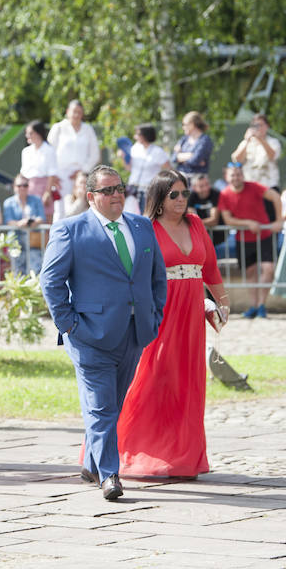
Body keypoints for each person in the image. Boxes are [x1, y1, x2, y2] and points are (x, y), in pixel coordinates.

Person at [39, 166, 167, 500]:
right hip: (88, 334)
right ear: (91, 196)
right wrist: (69, 324)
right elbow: (50, 282)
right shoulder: (71, 229)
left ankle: (93, 463)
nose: (116, 195)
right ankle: (110, 475)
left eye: (120, 188)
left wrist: (154, 314)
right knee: (101, 407)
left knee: (113, 404)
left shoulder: (141, 227)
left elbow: (157, 277)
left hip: (134, 331)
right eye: (108, 190)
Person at [117, 170, 227, 478]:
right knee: (151, 379)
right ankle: (121, 446)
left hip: (193, 313)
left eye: (184, 194)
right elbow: (134, 273)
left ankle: (183, 457)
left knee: (188, 383)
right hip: (160, 310)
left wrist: (223, 302)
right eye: (173, 195)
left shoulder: (195, 224)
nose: (181, 200)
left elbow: (211, 269)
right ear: (159, 199)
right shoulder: (146, 228)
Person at [218, 163, 283, 318]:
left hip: (264, 235)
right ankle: (254, 305)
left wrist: (279, 220)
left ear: (243, 175)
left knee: (269, 269)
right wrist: (248, 223)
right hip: (244, 239)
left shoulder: (254, 187)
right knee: (250, 272)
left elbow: (275, 196)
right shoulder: (225, 194)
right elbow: (228, 220)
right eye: (233, 175)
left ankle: (261, 304)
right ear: (227, 177)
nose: (236, 177)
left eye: (238, 174)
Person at [47, 100, 101, 219]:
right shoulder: (58, 128)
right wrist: (52, 176)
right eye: (74, 112)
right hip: (61, 176)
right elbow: (49, 153)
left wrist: (82, 172)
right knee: (60, 209)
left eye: (79, 112)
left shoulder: (88, 129)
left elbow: (95, 154)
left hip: (81, 176)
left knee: (82, 205)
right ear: (67, 112)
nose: (76, 115)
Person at [2, 174, 45, 276]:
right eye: (19, 185)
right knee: (18, 270)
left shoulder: (36, 199)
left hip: (33, 239)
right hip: (16, 240)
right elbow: (8, 220)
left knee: (36, 269)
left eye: (25, 185)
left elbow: (41, 217)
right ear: (14, 187)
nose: (22, 188)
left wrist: (33, 222)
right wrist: (19, 223)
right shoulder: (8, 202)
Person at [20, 120, 58, 222]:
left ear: (38, 133)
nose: (27, 135)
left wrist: (47, 192)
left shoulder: (49, 150)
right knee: (30, 217)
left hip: (44, 188)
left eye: (30, 133)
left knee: (47, 217)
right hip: (29, 188)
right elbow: (23, 173)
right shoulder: (26, 151)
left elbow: (52, 173)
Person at [127, 123, 171, 213]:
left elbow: (168, 170)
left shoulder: (157, 151)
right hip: (133, 189)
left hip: (148, 190)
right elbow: (129, 168)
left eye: (138, 134)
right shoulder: (135, 148)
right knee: (131, 214)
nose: (135, 137)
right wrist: (123, 157)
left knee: (147, 214)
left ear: (145, 135)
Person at [233, 114, 282, 191]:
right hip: (249, 186)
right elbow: (237, 160)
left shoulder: (273, 142)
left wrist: (260, 139)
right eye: (256, 125)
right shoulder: (246, 142)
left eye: (261, 125)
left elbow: (273, 156)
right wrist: (247, 140)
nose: (258, 128)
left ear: (267, 126)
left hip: (268, 186)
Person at [186, 173, 227, 252]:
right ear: (194, 187)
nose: (205, 188)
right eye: (201, 186)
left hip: (218, 236)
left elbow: (213, 221)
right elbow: (190, 218)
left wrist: (197, 223)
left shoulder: (215, 193)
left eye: (207, 184)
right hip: (199, 237)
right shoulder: (190, 196)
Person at [171, 111, 213, 180]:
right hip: (182, 177)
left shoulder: (205, 140)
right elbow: (173, 158)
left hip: (197, 180)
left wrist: (181, 157)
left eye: (185, 124)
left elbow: (195, 160)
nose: (183, 127)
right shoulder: (184, 139)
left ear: (192, 124)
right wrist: (190, 155)